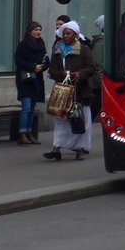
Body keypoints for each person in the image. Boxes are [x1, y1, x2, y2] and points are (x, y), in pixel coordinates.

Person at [44, 20, 96, 161]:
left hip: (80, 93)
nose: (65, 36)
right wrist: (62, 74)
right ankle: (56, 149)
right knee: (60, 122)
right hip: (63, 93)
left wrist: (80, 74)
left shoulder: (84, 50)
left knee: (79, 121)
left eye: (68, 33)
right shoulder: (58, 50)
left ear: (75, 35)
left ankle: (79, 149)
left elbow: (91, 67)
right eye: (64, 33)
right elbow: (52, 71)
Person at [14, 21, 49, 144]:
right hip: (25, 79)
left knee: (32, 108)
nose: (38, 32)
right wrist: (33, 66)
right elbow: (18, 60)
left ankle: (30, 133)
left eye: (40, 29)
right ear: (30, 31)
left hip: (36, 79)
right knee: (26, 107)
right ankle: (22, 134)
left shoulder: (41, 44)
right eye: (36, 29)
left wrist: (42, 67)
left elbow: (46, 60)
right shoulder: (23, 44)